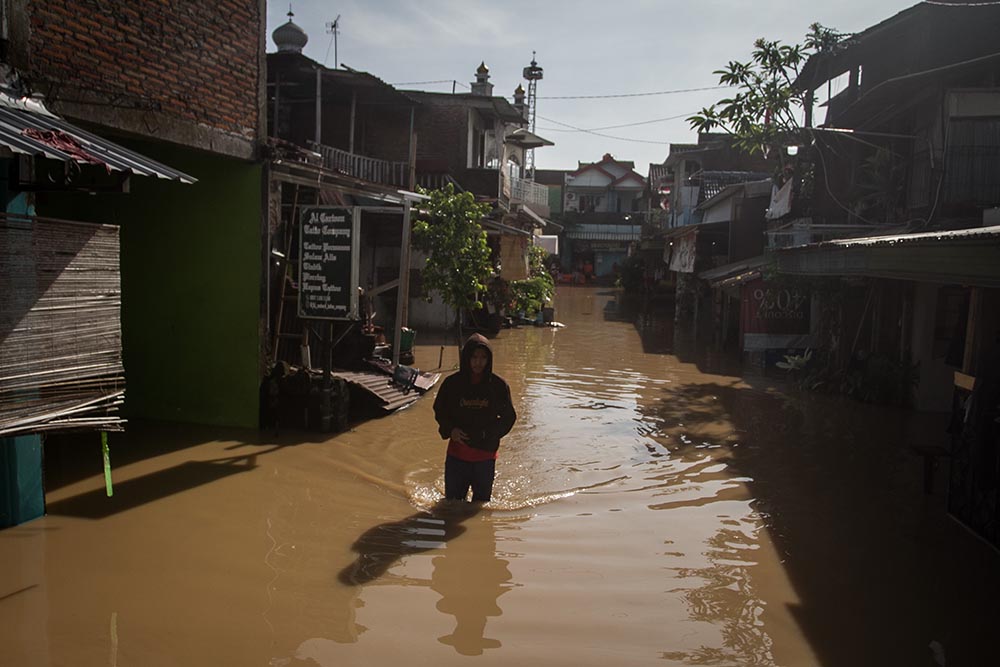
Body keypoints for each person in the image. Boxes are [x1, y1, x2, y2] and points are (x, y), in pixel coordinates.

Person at [433, 334, 516, 502]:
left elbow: (508, 418)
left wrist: (489, 434)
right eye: (474, 357)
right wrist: (451, 430)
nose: (478, 362)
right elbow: (439, 410)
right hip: (457, 456)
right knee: (452, 506)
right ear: (467, 358)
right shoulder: (452, 384)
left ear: (489, 359)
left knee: (480, 508)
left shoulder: (498, 386)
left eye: (483, 358)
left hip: (485, 458)